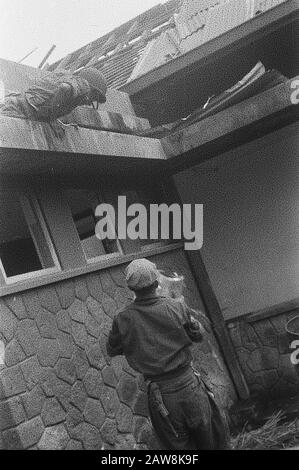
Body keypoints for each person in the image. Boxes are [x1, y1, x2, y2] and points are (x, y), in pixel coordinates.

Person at [106, 258, 230, 450]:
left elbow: (112, 349)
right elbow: (197, 336)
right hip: (190, 387)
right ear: (157, 282)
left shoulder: (123, 319)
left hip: (161, 397)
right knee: (211, 443)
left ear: (131, 289)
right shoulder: (176, 306)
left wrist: (135, 342)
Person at [0, 67, 107, 122]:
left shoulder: (66, 77)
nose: (90, 103)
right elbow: (64, 88)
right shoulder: (84, 85)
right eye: (94, 98)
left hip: (16, 104)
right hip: (19, 109)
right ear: (92, 91)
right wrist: (52, 118)